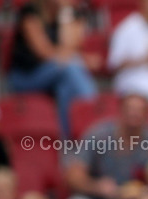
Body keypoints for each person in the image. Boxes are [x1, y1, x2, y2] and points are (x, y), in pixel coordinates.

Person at [63, 93, 148, 199]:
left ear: (147, 114)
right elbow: (74, 174)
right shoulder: (99, 135)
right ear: (120, 111)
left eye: (140, 110)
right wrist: (96, 186)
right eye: (130, 109)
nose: (134, 114)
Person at [7, 0, 98, 137]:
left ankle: (65, 141)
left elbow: (69, 47)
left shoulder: (63, 16)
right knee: (72, 66)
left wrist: (66, 16)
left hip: (53, 75)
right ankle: (93, 110)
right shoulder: (30, 13)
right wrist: (80, 60)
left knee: (64, 87)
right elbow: (44, 52)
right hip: (26, 77)